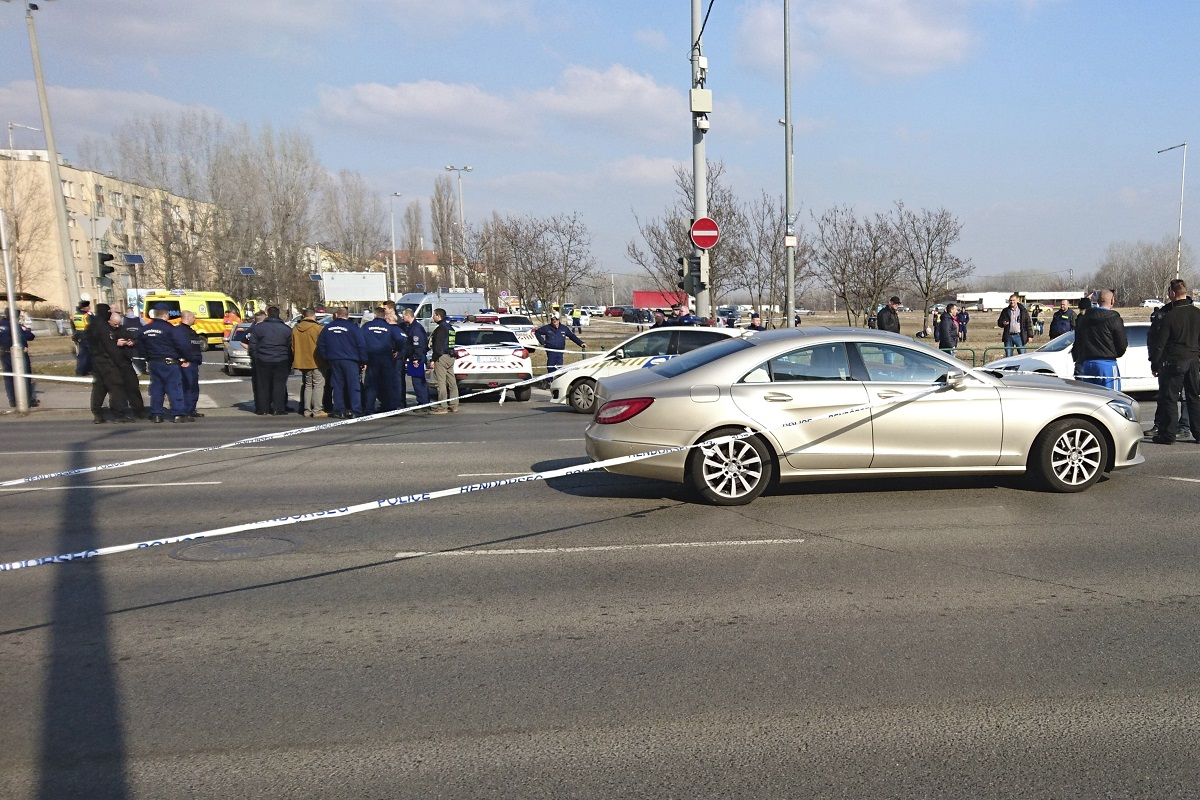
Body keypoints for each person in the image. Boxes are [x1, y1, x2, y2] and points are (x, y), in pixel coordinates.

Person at [1147, 279, 1200, 445]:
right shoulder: (1197, 314)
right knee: (1193, 397)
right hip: (1193, 361)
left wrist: (1155, 364)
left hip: (1174, 361)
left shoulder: (1169, 316)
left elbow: (1159, 344)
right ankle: (1198, 433)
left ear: (1173, 293)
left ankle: (1168, 434)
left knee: (1170, 398)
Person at [140, 303, 192, 423]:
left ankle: (157, 414)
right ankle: (177, 414)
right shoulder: (171, 329)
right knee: (174, 388)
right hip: (170, 363)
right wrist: (186, 358)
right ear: (166, 314)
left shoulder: (145, 329)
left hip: (154, 363)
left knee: (157, 389)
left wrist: (148, 357)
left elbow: (140, 346)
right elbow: (182, 345)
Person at [1071, 288, 1127, 391]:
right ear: (1112, 301)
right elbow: (1122, 345)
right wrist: (1113, 353)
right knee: (1112, 395)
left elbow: (1079, 339)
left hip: (1088, 363)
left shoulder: (1084, 319)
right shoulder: (1114, 319)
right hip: (1107, 364)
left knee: (1091, 396)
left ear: (1097, 301)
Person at [318, 307, 367, 418]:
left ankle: (339, 410)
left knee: (338, 386)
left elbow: (320, 344)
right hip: (351, 360)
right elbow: (361, 344)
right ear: (347, 315)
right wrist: (363, 360)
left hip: (334, 360)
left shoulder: (328, 327)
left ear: (336, 315)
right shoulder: (353, 327)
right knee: (353, 386)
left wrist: (326, 357)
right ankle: (355, 410)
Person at [86, 305, 131, 423]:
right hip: (107, 362)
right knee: (116, 386)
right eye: (109, 311)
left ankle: (97, 414)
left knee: (99, 387)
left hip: (95, 361)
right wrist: (120, 363)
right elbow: (110, 347)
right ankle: (118, 414)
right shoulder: (104, 327)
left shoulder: (91, 325)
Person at [248, 306, 293, 415]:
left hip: (263, 359)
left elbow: (252, 345)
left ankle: (263, 409)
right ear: (279, 314)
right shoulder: (286, 329)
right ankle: (278, 408)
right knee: (279, 385)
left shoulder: (258, 328)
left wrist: (256, 357)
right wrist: (289, 360)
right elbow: (290, 346)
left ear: (267, 314)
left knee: (263, 385)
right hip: (281, 359)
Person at [362, 305, 406, 414]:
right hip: (386, 358)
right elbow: (402, 338)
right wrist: (397, 349)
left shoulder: (367, 326)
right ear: (384, 315)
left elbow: (359, 341)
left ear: (375, 315)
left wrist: (363, 357)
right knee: (388, 383)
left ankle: (369, 408)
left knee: (371, 384)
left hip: (371, 357)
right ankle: (389, 406)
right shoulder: (389, 327)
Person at [292, 308, 329, 418]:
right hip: (317, 361)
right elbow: (324, 345)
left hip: (303, 361)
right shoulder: (318, 328)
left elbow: (293, 347)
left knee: (308, 385)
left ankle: (307, 410)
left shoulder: (295, 329)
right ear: (314, 316)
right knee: (318, 385)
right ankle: (317, 410)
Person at [0, 313, 38, 409]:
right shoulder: (15, 325)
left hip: (3, 353)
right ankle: (27, 400)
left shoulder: (1, 324)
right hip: (17, 354)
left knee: (8, 378)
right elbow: (29, 336)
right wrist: (26, 330)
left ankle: (12, 401)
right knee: (25, 376)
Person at [429, 308, 459, 414]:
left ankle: (442, 407)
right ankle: (454, 405)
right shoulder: (451, 328)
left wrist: (433, 359)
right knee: (452, 382)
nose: (433, 317)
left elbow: (438, 347)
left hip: (441, 357)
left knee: (441, 383)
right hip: (451, 357)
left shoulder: (440, 329)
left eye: (434, 315)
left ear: (438, 316)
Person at [178, 310, 206, 420]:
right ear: (188, 317)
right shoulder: (180, 331)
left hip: (194, 363)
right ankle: (186, 410)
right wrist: (182, 360)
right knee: (187, 387)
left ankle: (192, 409)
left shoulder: (191, 331)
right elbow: (180, 347)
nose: (195, 319)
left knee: (194, 388)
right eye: (193, 317)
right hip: (186, 363)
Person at [402, 308, 430, 409]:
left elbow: (418, 345)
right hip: (414, 357)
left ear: (408, 316)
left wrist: (416, 358)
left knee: (418, 383)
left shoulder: (416, 328)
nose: (402, 318)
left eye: (403, 316)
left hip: (417, 359)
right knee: (417, 382)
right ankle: (423, 402)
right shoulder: (412, 327)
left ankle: (423, 404)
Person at [72, 300, 93, 376]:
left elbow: (73, 327)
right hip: (87, 336)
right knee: (91, 355)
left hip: (79, 337)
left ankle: (80, 372)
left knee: (82, 355)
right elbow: (91, 326)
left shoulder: (74, 316)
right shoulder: (86, 316)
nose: (89, 307)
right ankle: (90, 370)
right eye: (88, 306)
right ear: (85, 307)